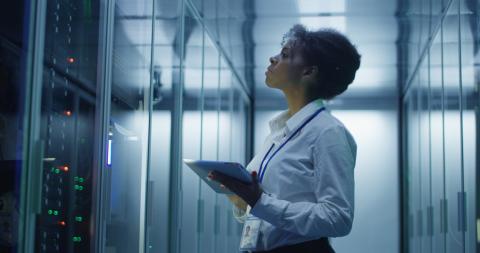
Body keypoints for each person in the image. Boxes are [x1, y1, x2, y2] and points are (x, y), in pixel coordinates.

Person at [208, 24, 360, 253]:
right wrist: (242, 199)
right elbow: (268, 207)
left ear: (309, 72)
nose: (273, 58)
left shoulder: (328, 133)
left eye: (285, 55)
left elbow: (338, 217)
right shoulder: (277, 133)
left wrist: (260, 202)